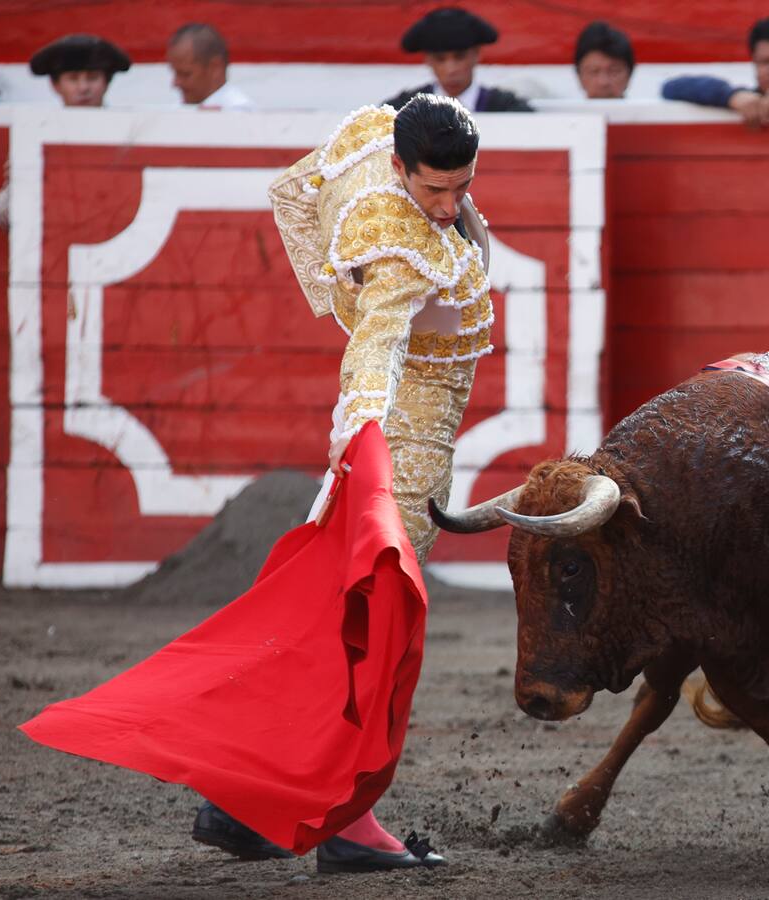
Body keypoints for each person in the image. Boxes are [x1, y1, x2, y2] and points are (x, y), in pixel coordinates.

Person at [190, 95, 494, 873]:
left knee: (329, 617)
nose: (450, 205)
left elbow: (292, 192)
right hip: (403, 443)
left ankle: (242, 802)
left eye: (462, 185)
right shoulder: (397, 250)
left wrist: (336, 289)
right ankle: (345, 820)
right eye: (433, 190)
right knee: (371, 637)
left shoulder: (372, 135)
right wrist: (358, 425)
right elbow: (377, 351)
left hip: (382, 444)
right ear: (400, 169)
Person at [0, 34, 131, 228]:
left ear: (106, 83)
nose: (83, 88)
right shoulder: (37, 136)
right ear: (56, 85)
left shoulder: (128, 131)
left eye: (92, 78)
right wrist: (19, 183)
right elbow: (5, 217)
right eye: (73, 79)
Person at [385, 7, 532, 112]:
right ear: (428, 60)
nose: (451, 69)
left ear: (477, 55)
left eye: (459, 57)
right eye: (440, 59)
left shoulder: (507, 108)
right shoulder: (403, 110)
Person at [166, 23, 253, 109]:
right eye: (175, 73)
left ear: (215, 67)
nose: (176, 83)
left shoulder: (240, 112)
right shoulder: (176, 111)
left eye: (185, 74)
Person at [574, 21, 635, 99]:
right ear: (579, 76)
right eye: (594, 71)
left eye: (614, 71)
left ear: (629, 74)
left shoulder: (650, 110)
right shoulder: (563, 111)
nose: (603, 82)